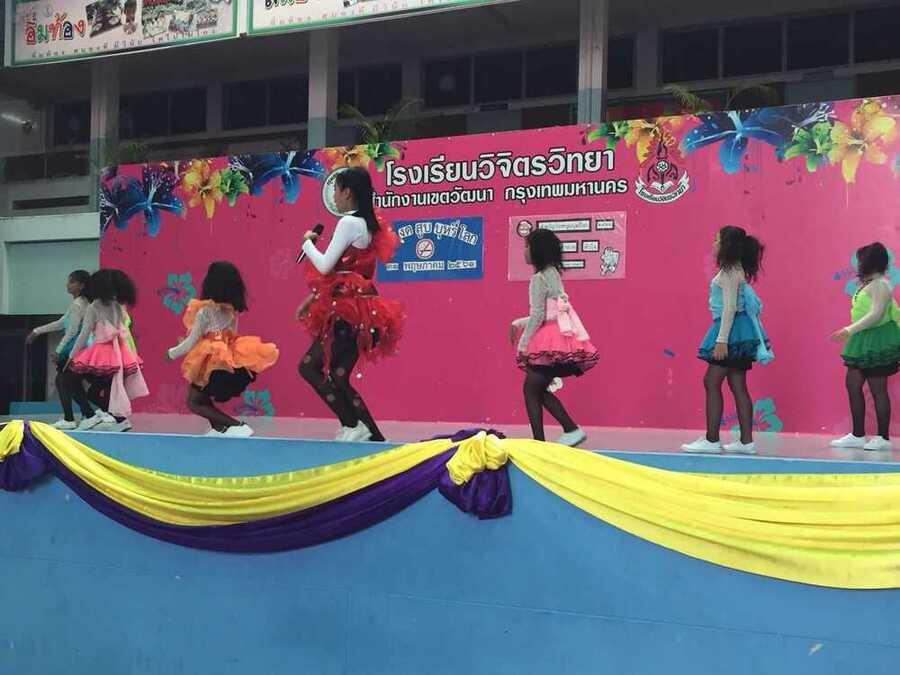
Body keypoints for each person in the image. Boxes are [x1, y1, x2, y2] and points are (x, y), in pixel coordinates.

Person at [296, 166, 404, 443]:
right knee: (338, 374)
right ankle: (370, 434)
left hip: (346, 311)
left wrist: (307, 245)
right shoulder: (368, 224)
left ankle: (354, 424)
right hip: (362, 310)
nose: (334, 196)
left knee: (309, 367)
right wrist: (312, 299)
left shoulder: (348, 223)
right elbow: (344, 273)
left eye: (336, 190)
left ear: (348, 192)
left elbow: (325, 266)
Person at [682, 226, 772, 455]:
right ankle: (746, 442)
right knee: (737, 384)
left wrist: (722, 340)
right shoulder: (733, 269)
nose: (713, 243)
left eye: (717, 240)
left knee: (711, 381)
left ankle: (712, 439)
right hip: (739, 331)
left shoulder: (730, 271)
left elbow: (730, 308)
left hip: (731, 332)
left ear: (727, 245)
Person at [166, 261, 279, 437]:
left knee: (193, 402)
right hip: (226, 359)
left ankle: (237, 425)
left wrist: (171, 353)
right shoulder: (231, 311)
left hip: (210, 362)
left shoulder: (205, 312)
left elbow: (191, 341)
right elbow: (232, 336)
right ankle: (219, 428)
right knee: (201, 398)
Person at [511, 229, 598, 446]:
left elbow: (539, 315)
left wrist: (522, 344)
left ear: (537, 250)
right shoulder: (553, 273)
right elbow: (549, 312)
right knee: (536, 388)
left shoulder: (538, 278)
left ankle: (542, 442)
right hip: (561, 336)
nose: (524, 251)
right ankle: (569, 430)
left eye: (527, 246)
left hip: (549, 340)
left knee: (531, 389)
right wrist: (519, 322)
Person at [830, 242, 900, 451]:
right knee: (853, 385)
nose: (859, 264)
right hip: (862, 340)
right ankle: (858, 434)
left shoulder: (881, 284)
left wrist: (849, 330)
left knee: (878, 389)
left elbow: (876, 314)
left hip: (877, 341)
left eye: (861, 260)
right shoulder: (869, 283)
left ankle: (883, 437)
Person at [65, 269, 149, 430]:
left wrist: (71, 355)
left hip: (101, 353)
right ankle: (118, 419)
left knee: (70, 380)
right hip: (119, 355)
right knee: (97, 392)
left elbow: (84, 334)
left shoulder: (94, 307)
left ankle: (93, 416)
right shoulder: (118, 306)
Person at [25, 270, 92, 430]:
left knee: (63, 381)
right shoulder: (80, 303)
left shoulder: (78, 304)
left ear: (82, 285)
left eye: (72, 282)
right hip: (79, 349)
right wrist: (37, 331)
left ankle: (74, 418)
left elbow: (72, 331)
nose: (68, 285)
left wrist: (59, 351)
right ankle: (87, 414)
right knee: (69, 382)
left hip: (74, 350)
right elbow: (62, 323)